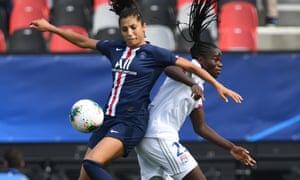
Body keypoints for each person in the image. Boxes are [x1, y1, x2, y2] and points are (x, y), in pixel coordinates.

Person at [30, 0, 243, 179]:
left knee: (92, 163)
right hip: (108, 120)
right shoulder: (115, 48)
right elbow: (83, 41)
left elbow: (189, 66)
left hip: (131, 122)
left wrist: (218, 86)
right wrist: (51, 28)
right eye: (125, 29)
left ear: (143, 27)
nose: (130, 33)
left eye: (134, 28)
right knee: (86, 174)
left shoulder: (154, 53)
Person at [135, 0, 256, 179]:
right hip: (159, 136)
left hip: (150, 139)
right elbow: (169, 68)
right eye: (216, 60)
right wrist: (191, 83)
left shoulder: (200, 85)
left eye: (221, 60)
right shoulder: (191, 67)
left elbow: (201, 127)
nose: (219, 65)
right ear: (200, 59)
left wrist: (231, 147)